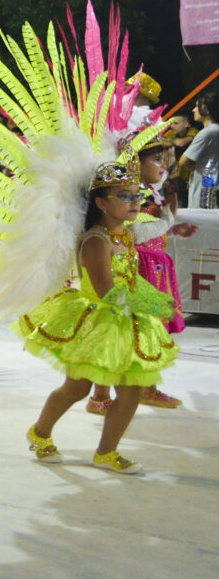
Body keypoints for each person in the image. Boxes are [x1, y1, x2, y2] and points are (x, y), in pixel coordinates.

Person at [22, 157, 178, 474]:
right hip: (98, 321)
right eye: (125, 195)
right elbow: (108, 290)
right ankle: (39, 431)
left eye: (137, 195)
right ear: (101, 203)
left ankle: (106, 452)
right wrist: (151, 303)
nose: (135, 201)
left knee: (132, 389)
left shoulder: (124, 233)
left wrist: (176, 226)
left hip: (125, 319)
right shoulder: (96, 240)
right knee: (77, 389)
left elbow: (139, 258)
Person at [87, 137, 199, 413]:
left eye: (166, 160)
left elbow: (147, 231)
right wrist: (167, 223)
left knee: (149, 331)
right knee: (123, 333)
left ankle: (143, 388)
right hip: (138, 268)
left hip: (153, 264)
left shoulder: (148, 193)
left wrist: (171, 230)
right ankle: (104, 394)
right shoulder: (130, 193)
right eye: (157, 160)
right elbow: (134, 233)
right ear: (136, 161)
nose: (165, 166)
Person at [179, 90, 219, 207]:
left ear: (206, 108)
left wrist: (192, 164)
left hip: (203, 189)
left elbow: (183, 161)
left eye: (197, 106)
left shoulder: (207, 133)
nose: (193, 110)